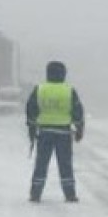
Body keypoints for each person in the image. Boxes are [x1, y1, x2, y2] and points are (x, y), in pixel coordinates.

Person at [26, 61, 85, 203]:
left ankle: (35, 194)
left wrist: (32, 130)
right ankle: (70, 195)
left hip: (45, 132)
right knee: (65, 165)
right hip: (64, 133)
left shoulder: (40, 89)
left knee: (41, 164)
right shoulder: (69, 91)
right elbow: (78, 111)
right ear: (63, 74)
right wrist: (79, 129)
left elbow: (31, 110)